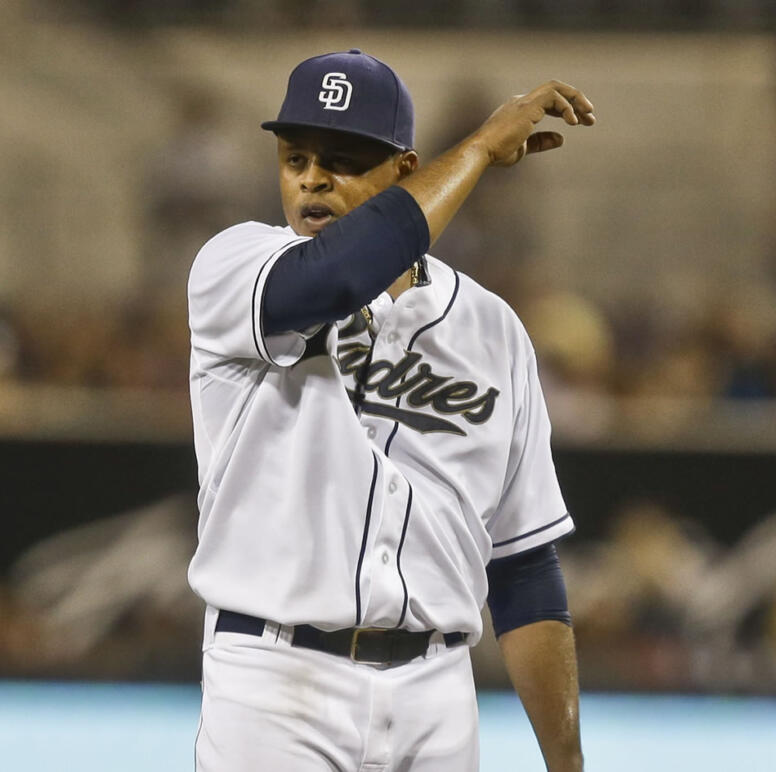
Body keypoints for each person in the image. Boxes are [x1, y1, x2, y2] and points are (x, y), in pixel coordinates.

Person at [185, 49, 594, 771]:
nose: (312, 177)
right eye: (296, 156)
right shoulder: (235, 266)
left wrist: (567, 763)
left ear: (407, 171)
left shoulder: (492, 330)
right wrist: (477, 149)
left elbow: (524, 567)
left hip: (437, 692)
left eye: (342, 158)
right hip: (275, 685)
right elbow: (332, 280)